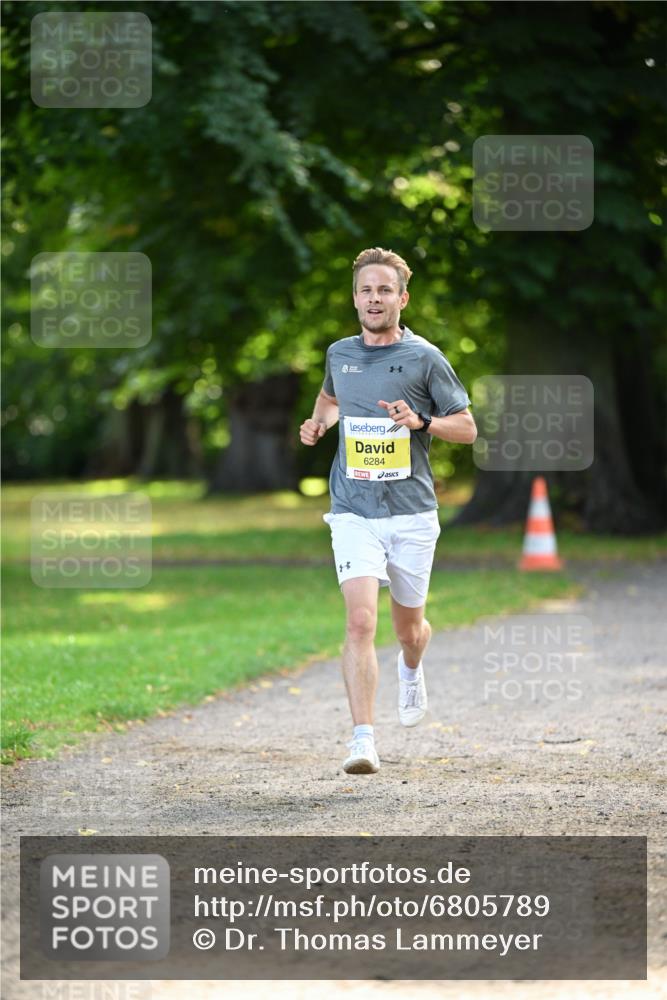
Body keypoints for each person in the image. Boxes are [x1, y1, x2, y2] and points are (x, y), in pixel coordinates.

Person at [299, 247, 477, 774]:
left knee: (408, 630)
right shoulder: (339, 353)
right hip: (353, 508)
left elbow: (466, 428)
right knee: (359, 622)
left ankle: (413, 664)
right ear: (355, 298)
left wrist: (420, 421)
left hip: (411, 512)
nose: (373, 299)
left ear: (402, 297)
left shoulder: (425, 357)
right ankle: (362, 739)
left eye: (384, 290)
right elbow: (331, 399)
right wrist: (318, 424)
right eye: (365, 290)